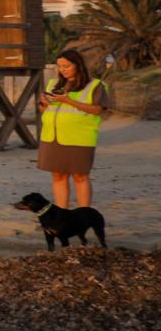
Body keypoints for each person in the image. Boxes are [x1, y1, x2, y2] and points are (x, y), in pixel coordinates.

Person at [38, 48, 108, 210]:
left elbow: (98, 110)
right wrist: (44, 103)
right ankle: (62, 213)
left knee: (80, 176)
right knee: (57, 175)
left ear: (78, 65)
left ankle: (84, 215)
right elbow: (44, 111)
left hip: (79, 138)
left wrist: (68, 100)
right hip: (51, 137)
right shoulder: (53, 84)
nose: (62, 70)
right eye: (60, 67)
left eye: (66, 66)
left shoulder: (95, 85)